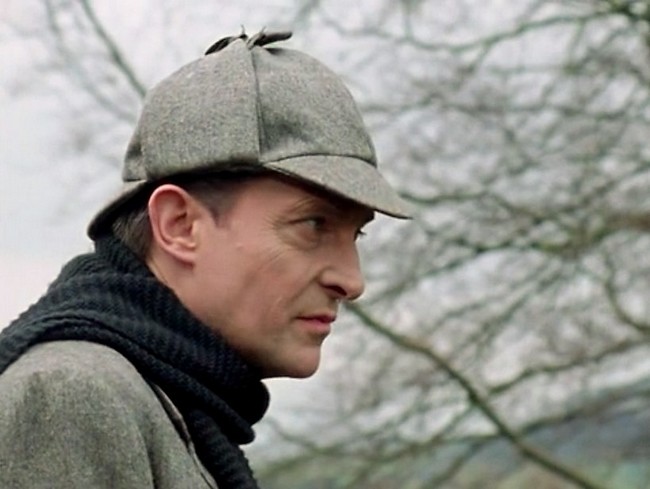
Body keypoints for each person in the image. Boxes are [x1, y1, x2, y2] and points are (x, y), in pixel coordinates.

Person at [0, 30, 411, 489]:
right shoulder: (71, 398)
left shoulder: (168, 404)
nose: (352, 281)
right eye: (314, 225)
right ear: (180, 225)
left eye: (357, 233)